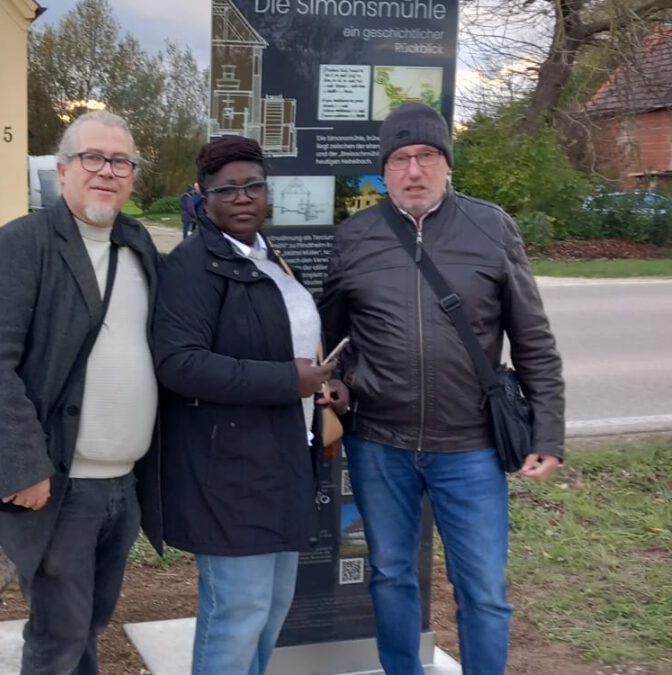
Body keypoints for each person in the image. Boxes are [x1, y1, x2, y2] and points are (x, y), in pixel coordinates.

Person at [318, 102, 565, 675]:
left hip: (471, 446)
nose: (413, 170)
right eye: (400, 159)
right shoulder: (355, 237)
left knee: (482, 589)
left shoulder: (491, 227)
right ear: (384, 170)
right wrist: (338, 386)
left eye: (426, 155)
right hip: (379, 443)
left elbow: (534, 340)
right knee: (391, 575)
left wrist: (548, 431)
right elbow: (327, 340)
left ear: (447, 164)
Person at [0, 110, 162, 675]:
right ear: (63, 170)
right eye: (93, 158)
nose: (107, 171)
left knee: (88, 625)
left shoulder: (138, 246)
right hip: (60, 488)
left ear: (132, 176)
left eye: (121, 161)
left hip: (123, 485)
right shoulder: (18, 247)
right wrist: (22, 468)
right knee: (58, 638)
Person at [153, 135, 342, 675]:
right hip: (226, 472)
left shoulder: (269, 257)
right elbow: (179, 364)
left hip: (283, 458)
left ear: (267, 193)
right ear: (203, 196)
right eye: (227, 188)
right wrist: (289, 380)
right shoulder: (191, 266)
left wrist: (323, 382)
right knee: (237, 612)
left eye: (253, 185)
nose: (243, 197)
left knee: (271, 609)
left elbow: (293, 343)